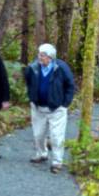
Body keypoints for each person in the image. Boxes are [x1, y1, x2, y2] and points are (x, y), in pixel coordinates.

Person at [24, 43, 75, 173]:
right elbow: (28, 81)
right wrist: (31, 98)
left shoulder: (61, 68)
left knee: (56, 137)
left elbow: (70, 86)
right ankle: (42, 154)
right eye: (39, 54)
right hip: (38, 108)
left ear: (50, 57)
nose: (39, 57)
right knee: (38, 135)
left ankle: (57, 162)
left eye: (42, 55)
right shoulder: (34, 67)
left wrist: (65, 104)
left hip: (57, 109)